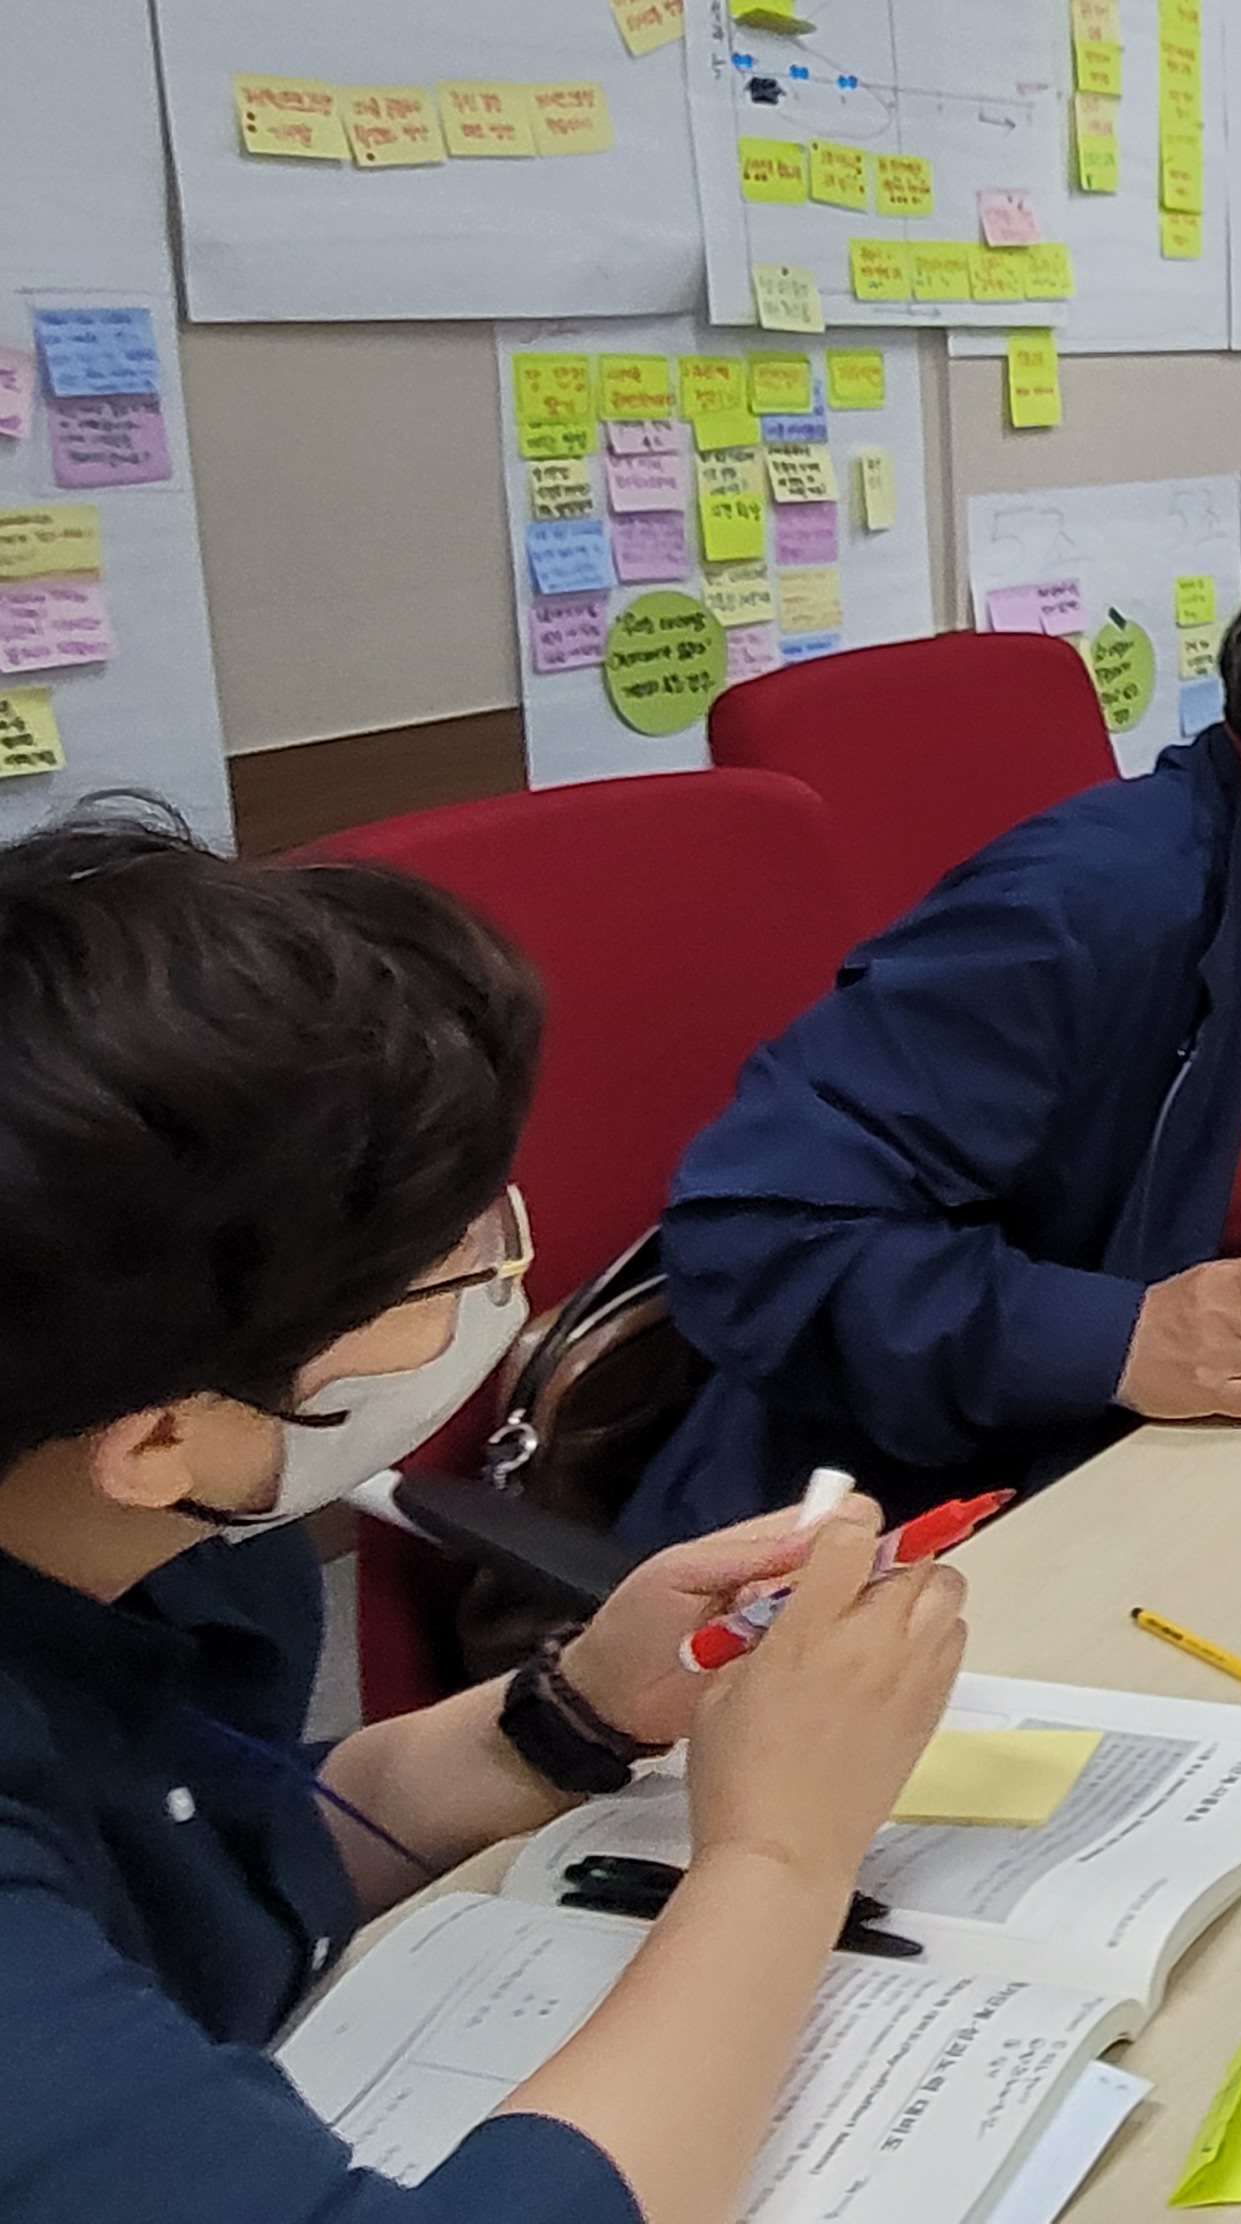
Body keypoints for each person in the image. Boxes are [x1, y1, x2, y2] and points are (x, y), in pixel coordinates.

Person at [0, 810, 964, 2223]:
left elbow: (213, 1845)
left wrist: (579, 1711)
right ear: (153, 1439)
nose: (503, 1279)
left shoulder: (149, 1523)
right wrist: (780, 1858)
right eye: (441, 1274)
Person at [627, 472, 1241, 1540]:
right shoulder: (1078, 913)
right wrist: (1117, 1338)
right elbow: (746, 1236)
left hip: (1171, 1454)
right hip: (905, 1514)